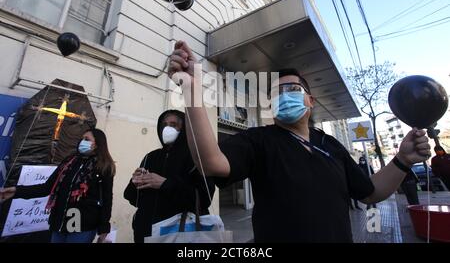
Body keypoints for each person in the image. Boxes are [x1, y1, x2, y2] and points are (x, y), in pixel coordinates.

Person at [168, 40, 432, 243]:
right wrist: (191, 89)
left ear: (311, 100)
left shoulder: (330, 144)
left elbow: (370, 191)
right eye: (276, 93)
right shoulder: (258, 140)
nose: (284, 96)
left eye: (293, 90)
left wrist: (403, 160)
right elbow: (210, 162)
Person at [0, 129, 115, 243]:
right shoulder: (70, 162)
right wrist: (16, 191)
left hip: (81, 224)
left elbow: (107, 198)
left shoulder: (103, 167)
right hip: (59, 221)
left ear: (97, 144)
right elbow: (47, 188)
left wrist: (104, 227)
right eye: (81, 139)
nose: (82, 142)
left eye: (87, 139)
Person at [124, 110, 215, 243]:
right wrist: (135, 183)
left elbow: (204, 198)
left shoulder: (196, 158)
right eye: (164, 125)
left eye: (173, 125)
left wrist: (165, 184)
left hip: (178, 234)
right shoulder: (151, 157)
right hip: (145, 234)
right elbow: (133, 199)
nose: (167, 128)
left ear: (184, 129)